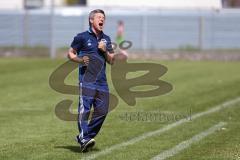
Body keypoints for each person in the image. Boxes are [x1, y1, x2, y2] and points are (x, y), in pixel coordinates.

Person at [67, 9, 115, 152]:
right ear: (91, 20)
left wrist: (105, 50)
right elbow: (70, 53)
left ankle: (85, 137)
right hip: (86, 80)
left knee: (103, 110)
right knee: (85, 110)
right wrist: (80, 60)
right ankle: (84, 138)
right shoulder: (81, 37)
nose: (102, 20)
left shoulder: (106, 39)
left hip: (102, 82)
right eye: (99, 17)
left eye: (104, 18)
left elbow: (112, 60)